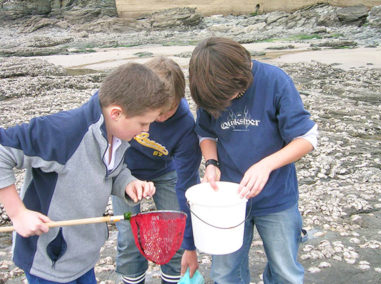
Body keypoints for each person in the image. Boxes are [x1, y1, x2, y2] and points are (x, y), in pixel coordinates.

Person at [0, 62, 170, 283]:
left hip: (85, 256)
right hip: (49, 261)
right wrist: (18, 213)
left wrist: (128, 183)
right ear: (116, 113)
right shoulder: (64, 132)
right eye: (143, 123)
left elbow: (112, 172)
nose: (146, 130)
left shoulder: (116, 134)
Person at [188, 37, 318, 284]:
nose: (224, 104)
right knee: (225, 273)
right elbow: (206, 133)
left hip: (277, 197)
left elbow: (307, 138)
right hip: (228, 199)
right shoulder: (209, 88)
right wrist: (212, 164)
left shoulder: (275, 81)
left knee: (285, 271)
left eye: (228, 98)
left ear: (241, 76)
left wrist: (266, 165)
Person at [112, 57, 202, 284]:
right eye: (153, 112)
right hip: (124, 171)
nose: (158, 119)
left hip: (165, 173)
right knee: (129, 235)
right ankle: (132, 278)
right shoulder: (122, 103)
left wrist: (190, 244)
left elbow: (187, 184)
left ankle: (172, 278)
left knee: (174, 232)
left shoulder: (185, 127)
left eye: (166, 112)